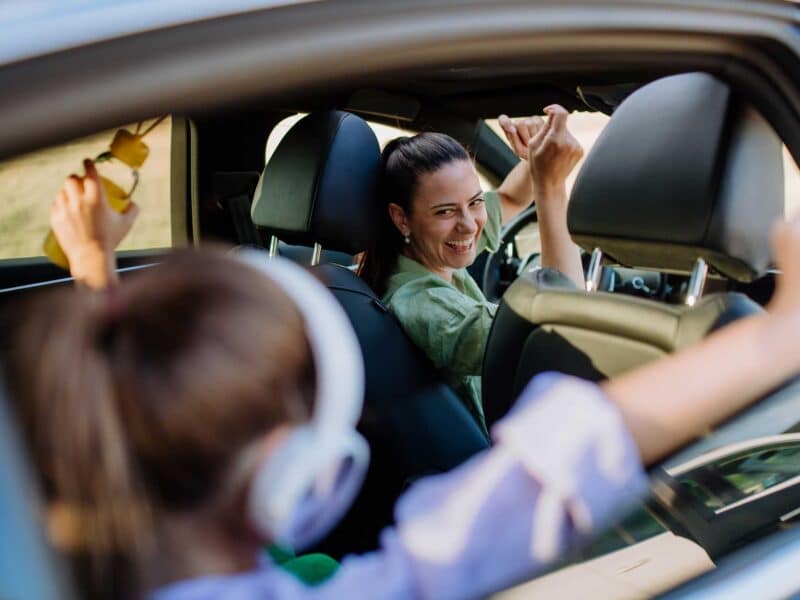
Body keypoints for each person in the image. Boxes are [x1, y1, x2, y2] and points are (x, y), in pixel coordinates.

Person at [7, 163, 800, 600]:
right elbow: (545, 464)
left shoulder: (43, 536)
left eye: (474, 208)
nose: (469, 224)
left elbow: (111, 378)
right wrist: (776, 341)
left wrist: (92, 267)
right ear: (297, 476)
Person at [359, 106, 584, 428]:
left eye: (475, 201)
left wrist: (535, 158)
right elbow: (563, 325)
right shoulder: (422, 304)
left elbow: (509, 198)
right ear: (401, 218)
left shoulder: (422, 253)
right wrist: (552, 187)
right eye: (445, 212)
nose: (469, 226)